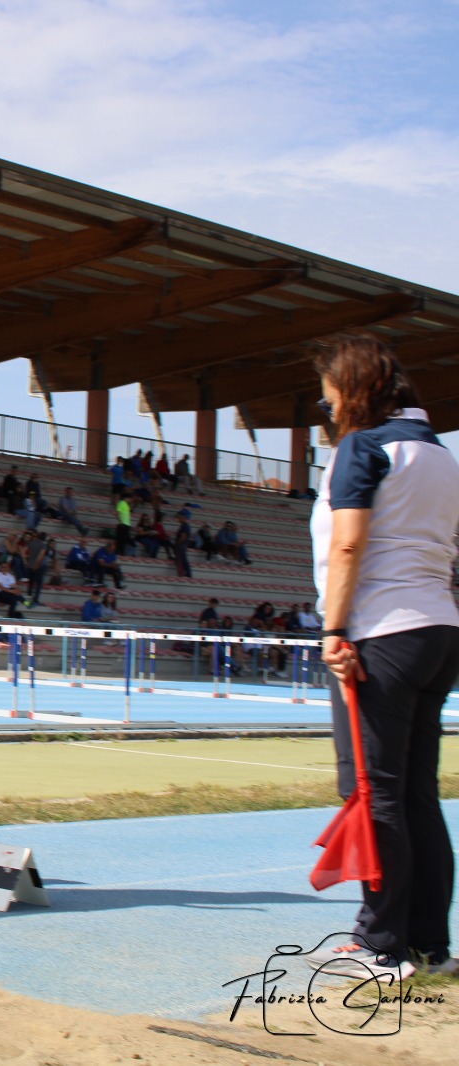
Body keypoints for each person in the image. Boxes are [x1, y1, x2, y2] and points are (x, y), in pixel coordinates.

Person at [302, 331, 459, 980]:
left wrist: (335, 630)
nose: (327, 409)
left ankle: (380, 945)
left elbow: (348, 545)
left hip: (380, 633)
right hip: (437, 630)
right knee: (417, 793)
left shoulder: (362, 448)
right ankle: (429, 946)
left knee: (372, 792)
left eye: (329, 397)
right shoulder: (442, 454)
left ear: (354, 390)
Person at [24, 532, 53, 605]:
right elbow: (40, 556)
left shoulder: (31, 543)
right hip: (37, 566)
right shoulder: (43, 545)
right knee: (38, 584)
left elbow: (23, 551)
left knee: (30, 583)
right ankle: (36, 600)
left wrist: (25, 561)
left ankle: (28, 600)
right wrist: (36, 565)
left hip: (30, 565)